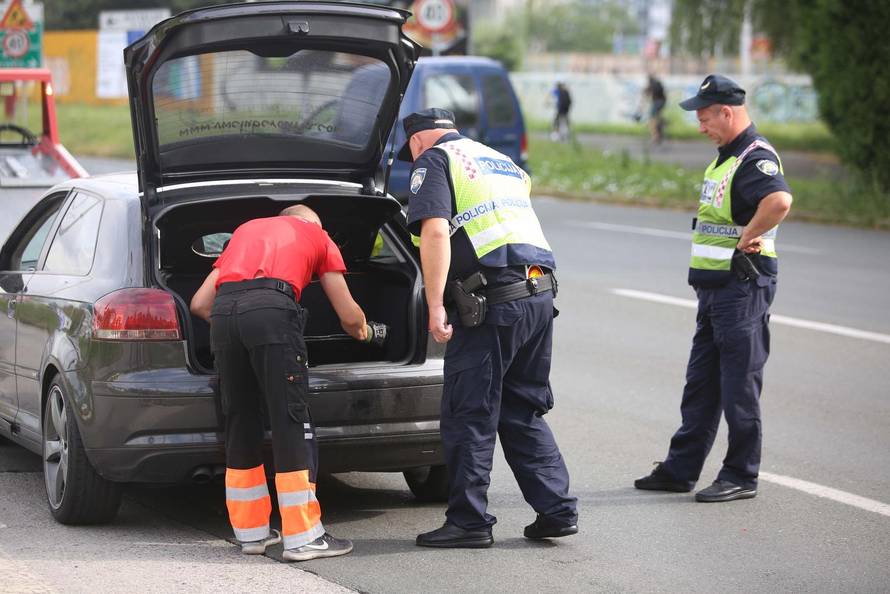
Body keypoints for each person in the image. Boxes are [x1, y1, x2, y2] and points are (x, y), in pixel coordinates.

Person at [399, 108, 578, 548]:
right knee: (520, 409)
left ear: (418, 141)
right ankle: (556, 510)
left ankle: (469, 522)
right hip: (538, 293)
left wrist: (436, 303)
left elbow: (436, 232)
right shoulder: (501, 160)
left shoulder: (434, 161)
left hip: (492, 303)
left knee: (469, 412)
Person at [634, 75, 793, 503]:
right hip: (715, 289)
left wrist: (748, 238)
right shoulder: (727, 156)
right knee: (701, 383)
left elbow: (779, 201)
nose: (700, 126)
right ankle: (681, 469)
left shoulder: (754, 157)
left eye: (705, 117)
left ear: (728, 111)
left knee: (739, 384)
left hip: (740, 287)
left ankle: (741, 474)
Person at [190, 205, 372, 561]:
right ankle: (304, 537)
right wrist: (364, 332)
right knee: (290, 419)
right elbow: (348, 313)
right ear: (312, 224)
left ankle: (252, 534)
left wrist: (240, 327)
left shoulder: (244, 232)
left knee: (241, 419)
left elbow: (199, 303)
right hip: (272, 311)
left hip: (224, 316)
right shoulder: (316, 235)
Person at [641, 73, 667, 144]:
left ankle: (655, 136)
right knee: (657, 117)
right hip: (662, 102)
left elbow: (645, 94)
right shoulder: (658, 83)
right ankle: (661, 123)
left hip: (657, 102)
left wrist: (641, 107)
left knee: (652, 119)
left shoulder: (651, 85)